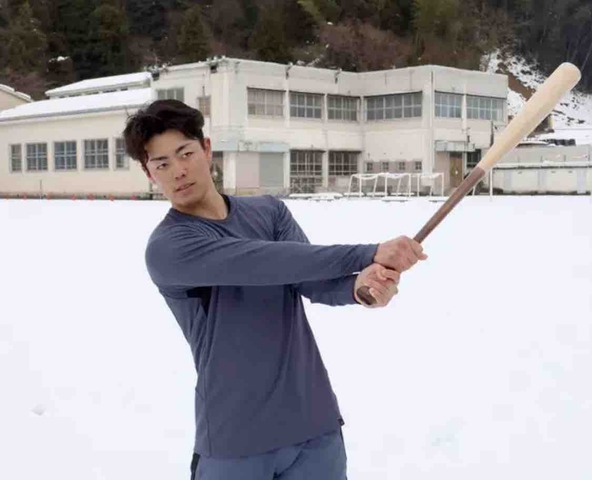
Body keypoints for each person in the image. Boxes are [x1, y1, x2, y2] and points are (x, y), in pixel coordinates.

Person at [123, 99, 427, 480]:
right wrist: (369, 252)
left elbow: (311, 278)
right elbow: (265, 262)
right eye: (162, 164)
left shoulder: (269, 212)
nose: (178, 171)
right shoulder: (169, 247)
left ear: (206, 149)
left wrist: (361, 286)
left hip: (315, 428)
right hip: (235, 441)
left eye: (185, 154)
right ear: (148, 173)